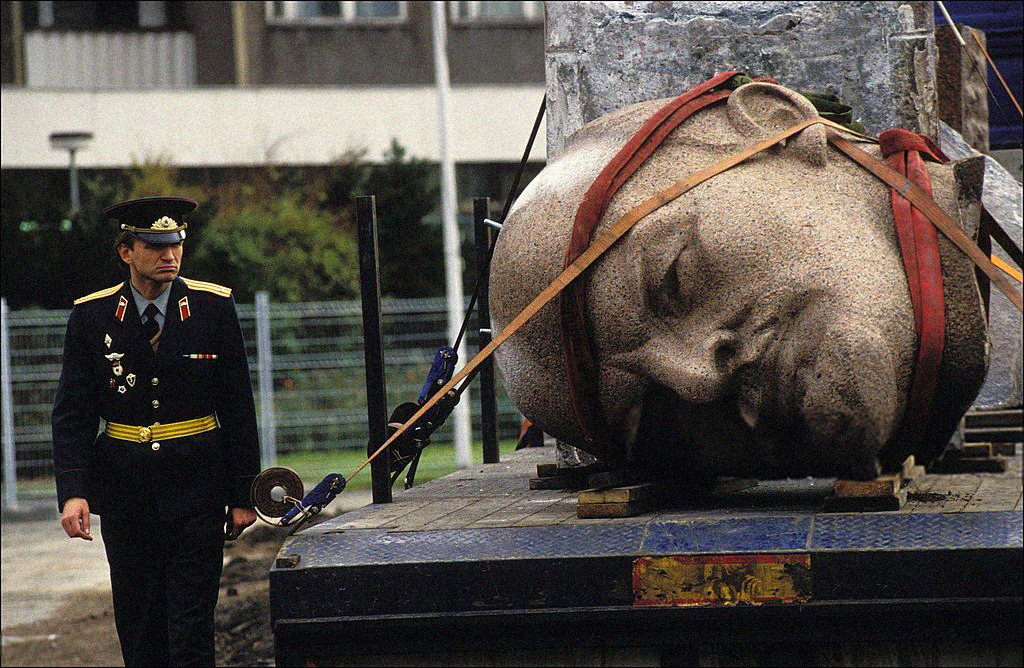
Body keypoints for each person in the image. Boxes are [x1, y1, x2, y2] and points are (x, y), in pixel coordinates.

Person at [51, 195, 261, 666]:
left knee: (190, 635)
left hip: (198, 489)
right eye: (155, 246)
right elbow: (74, 414)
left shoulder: (212, 307)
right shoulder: (92, 317)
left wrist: (245, 492)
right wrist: (73, 492)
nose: (170, 256)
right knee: (140, 630)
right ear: (127, 252)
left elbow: (237, 405)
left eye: (177, 244)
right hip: (127, 495)